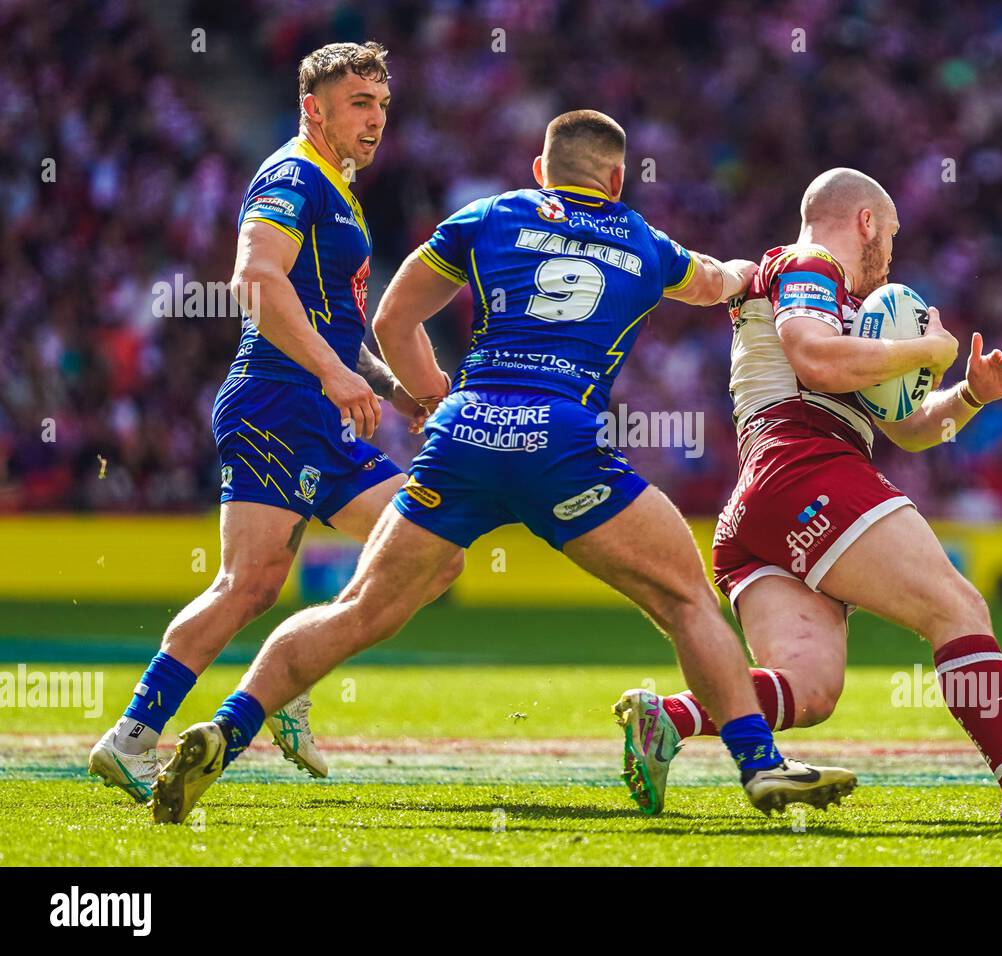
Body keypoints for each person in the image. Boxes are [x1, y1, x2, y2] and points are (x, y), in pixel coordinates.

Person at [149, 110, 857, 824]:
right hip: (564, 445)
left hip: (465, 435)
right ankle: (760, 766)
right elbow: (716, 281)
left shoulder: (487, 217)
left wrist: (432, 399)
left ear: (541, 170)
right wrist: (757, 274)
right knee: (684, 602)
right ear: (616, 180)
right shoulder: (645, 240)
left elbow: (394, 323)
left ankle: (227, 728)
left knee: (359, 609)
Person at [616, 168, 1002, 822]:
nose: (890, 257)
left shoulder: (839, 307)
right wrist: (926, 346)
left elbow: (912, 431)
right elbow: (813, 357)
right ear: (865, 222)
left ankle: (668, 718)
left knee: (808, 691)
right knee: (957, 607)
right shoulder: (811, 263)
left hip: (759, 505)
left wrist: (971, 394)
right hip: (809, 468)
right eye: (889, 236)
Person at [89, 41, 459, 802]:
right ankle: (219, 703)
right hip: (280, 403)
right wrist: (331, 372)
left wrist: (392, 389)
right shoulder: (294, 175)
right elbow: (254, 279)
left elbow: (335, 320)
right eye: (360, 103)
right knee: (283, 577)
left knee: (399, 559)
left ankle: (236, 693)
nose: (376, 119)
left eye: (383, 105)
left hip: (305, 405)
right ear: (312, 108)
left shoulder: (338, 187)